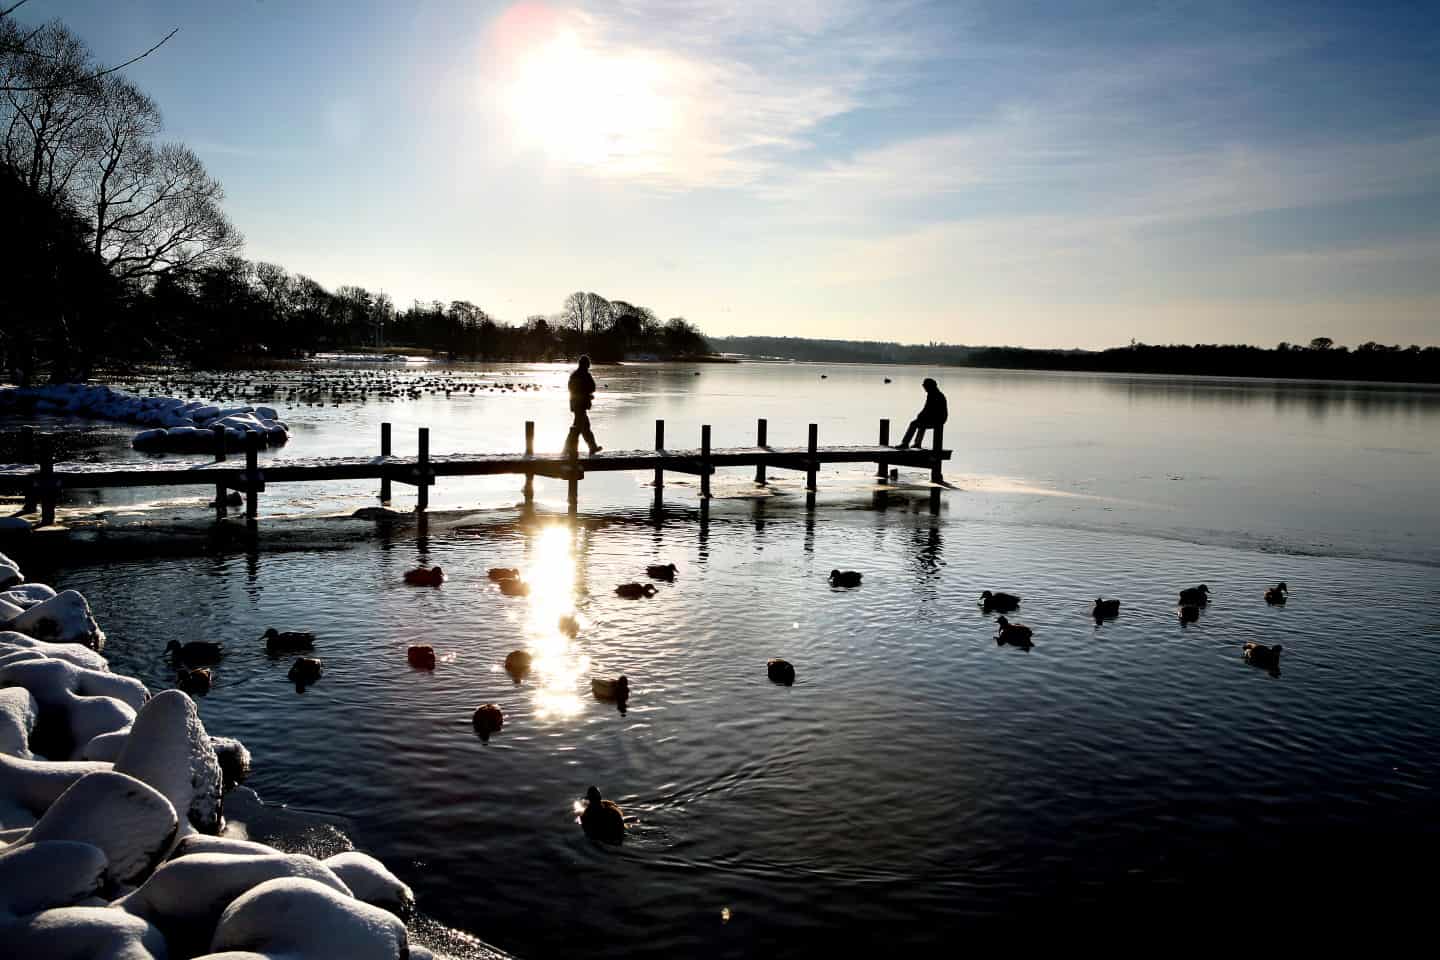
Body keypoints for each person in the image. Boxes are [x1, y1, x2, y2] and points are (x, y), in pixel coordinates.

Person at [565, 355, 602, 456]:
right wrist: (587, 394)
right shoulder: (584, 375)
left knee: (582, 427)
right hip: (580, 405)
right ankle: (569, 448)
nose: (589, 365)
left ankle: (591, 447)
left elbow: (572, 389)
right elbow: (592, 387)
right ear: (586, 364)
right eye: (588, 363)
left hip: (576, 404)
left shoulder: (574, 375)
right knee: (580, 428)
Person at [897, 377, 947, 449]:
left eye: (925, 386)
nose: (924, 387)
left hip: (938, 419)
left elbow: (929, 409)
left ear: (930, 386)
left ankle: (905, 443)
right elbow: (927, 409)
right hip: (937, 418)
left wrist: (920, 415)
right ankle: (917, 443)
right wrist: (921, 415)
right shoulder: (934, 393)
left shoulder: (935, 395)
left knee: (913, 424)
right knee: (920, 422)